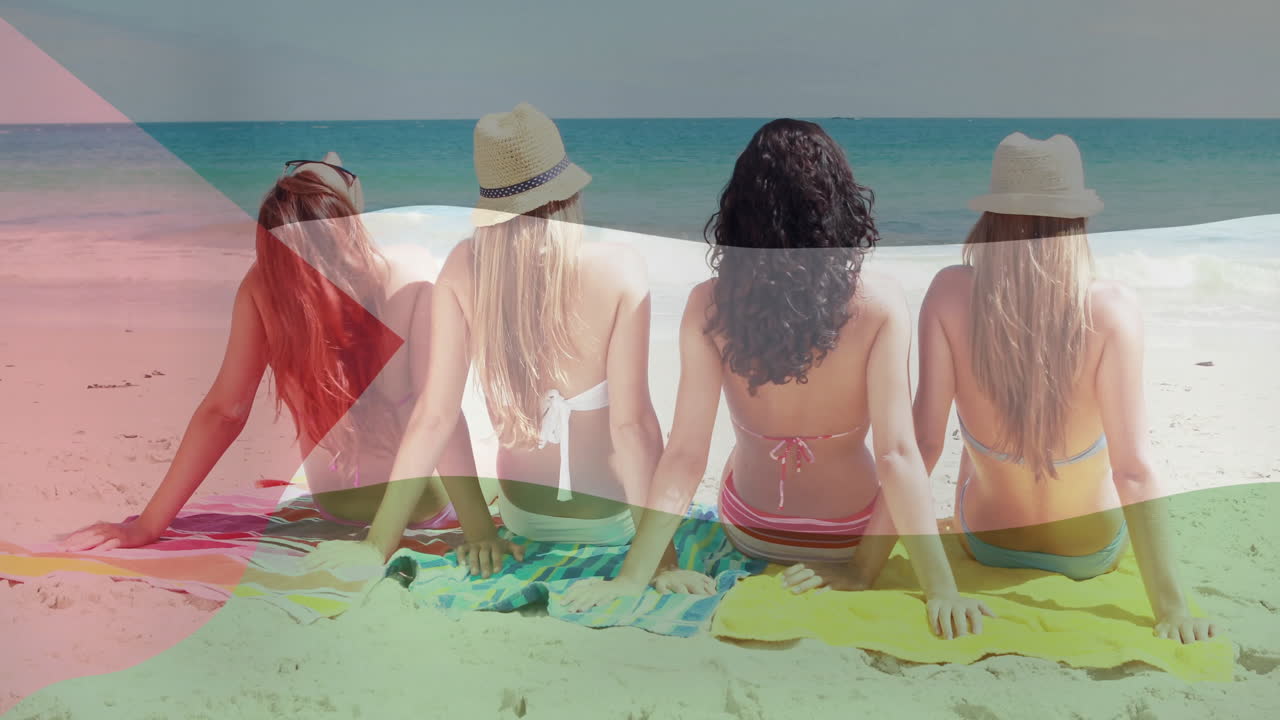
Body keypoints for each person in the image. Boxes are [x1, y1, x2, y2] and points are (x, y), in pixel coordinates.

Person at [563, 120, 992, 639]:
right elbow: (898, 455)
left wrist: (637, 576)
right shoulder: (879, 306)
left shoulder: (709, 303)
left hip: (751, 531)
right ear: (839, 210)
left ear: (740, 213)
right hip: (845, 536)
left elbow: (684, 454)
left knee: (725, 456)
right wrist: (938, 588)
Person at [309, 104, 693, 586]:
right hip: (614, 522)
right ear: (567, 189)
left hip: (520, 518)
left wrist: (376, 545)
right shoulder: (620, 267)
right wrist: (662, 562)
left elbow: (434, 418)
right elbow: (633, 428)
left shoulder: (465, 267)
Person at [61, 153, 477, 551]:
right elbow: (438, 417)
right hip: (420, 508)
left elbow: (225, 412)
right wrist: (475, 530)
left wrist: (148, 526)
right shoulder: (408, 278)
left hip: (333, 506)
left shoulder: (264, 287)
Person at [912, 132, 1216, 643]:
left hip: (986, 543)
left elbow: (920, 447)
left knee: (976, 437)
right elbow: (1133, 470)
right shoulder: (1112, 309)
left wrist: (862, 562)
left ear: (992, 217)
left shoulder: (948, 292)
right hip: (1090, 551)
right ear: (1077, 221)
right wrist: (1172, 610)